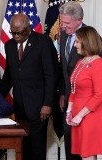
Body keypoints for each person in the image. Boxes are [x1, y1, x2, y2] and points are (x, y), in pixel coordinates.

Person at [0, 13, 58, 160]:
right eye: (12, 32)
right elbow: (9, 75)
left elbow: (51, 76)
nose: (15, 36)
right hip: (20, 107)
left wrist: (47, 104)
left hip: (39, 107)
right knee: (22, 147)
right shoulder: (9, 45)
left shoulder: (43, 42)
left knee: (37, 149)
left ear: (28, 28)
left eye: (19, 32)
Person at [66, 26, 102, 160]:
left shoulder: (98, 64)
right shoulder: (80, 62)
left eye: (77, 42)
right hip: (77, 113)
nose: (74, 45)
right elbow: (73, 88)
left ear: (87, 42)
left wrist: (80, 115)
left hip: (91, 115)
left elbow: (99, 94)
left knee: (88, 154)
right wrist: (69, 111)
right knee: (81, 154)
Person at [58, 1, 84, 159]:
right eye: (62, 22)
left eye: (67, 23)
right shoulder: (63, 34)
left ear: (78, 20)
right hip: (68, 99)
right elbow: (63, 69)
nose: (63, 26)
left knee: (82, 145)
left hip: (84, 101)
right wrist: (62, 93)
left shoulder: (91, 37)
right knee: (69, 141)